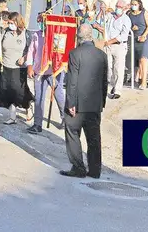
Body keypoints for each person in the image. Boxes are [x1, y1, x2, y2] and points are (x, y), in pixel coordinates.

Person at [60, 25, 108, 179]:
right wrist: (102, 102)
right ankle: (95, 171)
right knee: (94, 137)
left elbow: (72, 81)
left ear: (78, 38)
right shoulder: (102, 55)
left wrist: (71, 103)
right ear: (91, 37)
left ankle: (78, 167)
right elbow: (104, 82)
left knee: (72, 131)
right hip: (95, 103)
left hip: (78, 104)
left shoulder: (75, 53)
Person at [27, 12, 65, 133]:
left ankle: (66, 119)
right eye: (38, 20)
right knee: (39, 97)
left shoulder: (56, 35)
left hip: (53, 71)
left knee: (58, 95)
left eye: (41, 21)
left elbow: (60, 53)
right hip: (39, 71)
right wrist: (29, 65)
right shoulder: (36, 35)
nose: (39, 23)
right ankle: (37, 124)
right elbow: (31, 51)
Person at [0, 12, 34, 125]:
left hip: (19, 68)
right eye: (9, 23)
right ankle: (12, 117)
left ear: (17, 22)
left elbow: (31, 50)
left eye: (12, 23)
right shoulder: (5, 32)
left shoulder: (26, 34)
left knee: (19, 91)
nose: (10, 25)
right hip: (5, 65)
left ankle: (28, 106)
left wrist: (24, 57)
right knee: (8, 91)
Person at [103, 0, 131, 99]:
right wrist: (102, 10)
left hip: (119, 45)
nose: (117, 9)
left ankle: (118, 90)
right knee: (108, 67)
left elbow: (124, 35)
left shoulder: (126, 19)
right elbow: (101, 20)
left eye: (120, 7)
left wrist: (111, 41)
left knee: (118, 68)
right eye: (117, 6)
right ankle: (113, 85)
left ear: (124, 8)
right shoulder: (110, 15)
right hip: (108, 45)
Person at [128, 0, 148, 90]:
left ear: (139, 5)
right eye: (132, 4)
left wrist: (144, 35)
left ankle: (144, 82)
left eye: (135, 4)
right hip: (135, 37)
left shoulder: (144, 13)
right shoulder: (129, 14)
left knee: (143, 59)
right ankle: (140, 78)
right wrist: (132, 28)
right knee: (138, 60)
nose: (134, 6)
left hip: (146, 36)